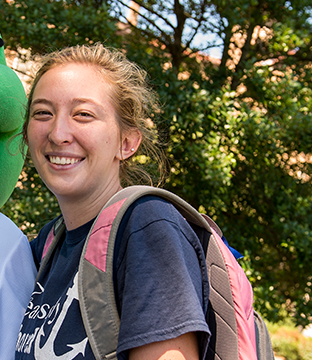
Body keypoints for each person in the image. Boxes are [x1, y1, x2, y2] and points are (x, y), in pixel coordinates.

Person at [14, 44, 210, 360]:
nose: (58, 132)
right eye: (42, 113)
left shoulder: (147, 228)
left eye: (83, 114)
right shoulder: (48, 245)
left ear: (127, 142)